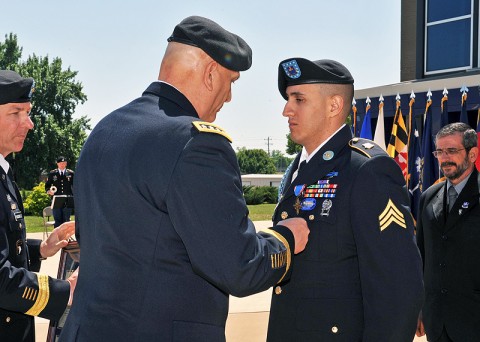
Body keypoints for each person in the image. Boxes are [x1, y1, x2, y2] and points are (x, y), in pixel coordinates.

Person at [59, 16, 309, 342]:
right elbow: (240, 265)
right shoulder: (197, 143)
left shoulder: (105, 131)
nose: (229, 97)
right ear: (209, 74)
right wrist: (286, 240)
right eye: (230, 81)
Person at [267, 57, 424, 341]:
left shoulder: (367, 170)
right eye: (289, 98)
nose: (286, 110)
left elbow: (397, 290)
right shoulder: (298, 169)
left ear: (334, 105)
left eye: (298, 99)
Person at [0, 70, 78, 342]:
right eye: (16, 113)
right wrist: (65, 291)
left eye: (28, 112)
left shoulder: (4, 173)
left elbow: (7, 250)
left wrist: (42, 249)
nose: (29, 124)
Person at [416, 122, 480, 342]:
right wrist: (419, 307)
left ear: (473, 154)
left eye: (452, 150)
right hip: (437, 321)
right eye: (439, 152)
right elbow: (421, 257)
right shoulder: (428, 197)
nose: (444, 158)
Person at [45, 156, 74, 227]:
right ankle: (58, 238)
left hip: (67, 200)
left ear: (66, 163)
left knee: (66, 221)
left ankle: (66, 238)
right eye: (61, 163)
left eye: (64, 163)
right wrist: (49, 191)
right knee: (57, 221)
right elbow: (47, 185)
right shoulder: (53, 173)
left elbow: (75, 185)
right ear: (57, 164)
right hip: (56, 200)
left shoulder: (70, 173)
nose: (62, 164)